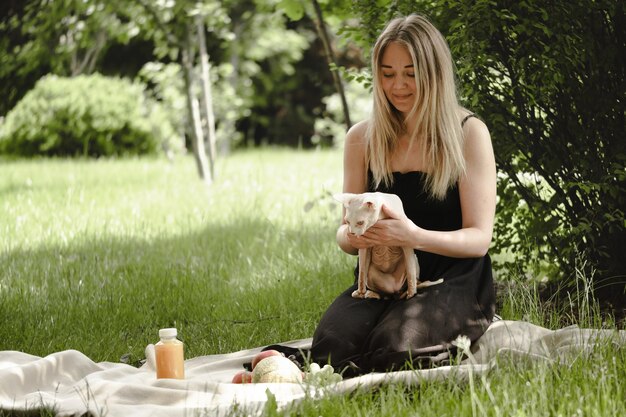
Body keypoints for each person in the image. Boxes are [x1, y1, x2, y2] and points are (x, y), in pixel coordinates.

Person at [309, 14, 497, 375]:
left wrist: (413, 236)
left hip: (451, 277)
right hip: (381, 278)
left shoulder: (468, 133)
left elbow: (479, 239)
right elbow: (345, 236)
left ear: (434, 73)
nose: (398, 85)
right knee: (331, 350)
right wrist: (352, 237)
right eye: (388, 72)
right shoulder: (361, 138)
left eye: (411, 73)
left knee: (397, 350)